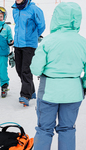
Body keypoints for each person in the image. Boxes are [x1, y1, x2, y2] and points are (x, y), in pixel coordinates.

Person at [30, 2, 86, 150]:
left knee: (44, 129)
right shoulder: (83, 42)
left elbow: (35, 68)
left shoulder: (49, 40)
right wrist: (84, 85)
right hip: (73, 93)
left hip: (49, 91)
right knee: (67, 129)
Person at [12, 0, 45, 106]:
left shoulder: (34, 9)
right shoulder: (15, 9)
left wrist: (33, 36)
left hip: (29, 45)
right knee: (19, 70)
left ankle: (25, 95)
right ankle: (32, 91)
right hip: (17, 44)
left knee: (26, 70)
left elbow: (41, 25)